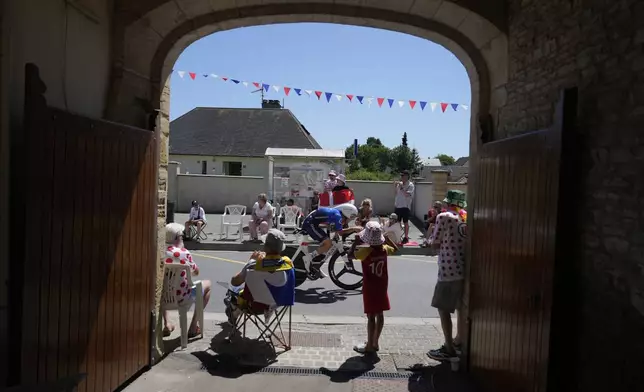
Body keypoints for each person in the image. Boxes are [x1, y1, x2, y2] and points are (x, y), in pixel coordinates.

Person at [427, 190, 468, 361]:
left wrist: (429, 241)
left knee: (443, 309)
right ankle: (458, 340)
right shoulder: (465, 217)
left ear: (448, 203)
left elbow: (435, 243)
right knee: (460, 308)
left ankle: (448, 348)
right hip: (463, 267)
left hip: (447, 269)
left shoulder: (444, 217)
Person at [227, 229, 293, 319]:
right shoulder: (288, 264)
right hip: (279, 302)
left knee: (234, 288)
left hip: (253, 305)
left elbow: (234, 281)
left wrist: (251, 261)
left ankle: (234, 312)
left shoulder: (254, 265)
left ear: (266, 248)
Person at [352, 221, 396, 355]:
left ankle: (369, 346)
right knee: (380, 314)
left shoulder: (365, 252)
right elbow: (396, 250)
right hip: (382, 286)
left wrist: (356, 242)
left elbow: (350, 255)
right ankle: (376, 342)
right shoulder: (384, 249)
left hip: (370, 287)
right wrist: (388, 240)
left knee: (371, 316)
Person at [163, 223, 212, 338]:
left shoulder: (162, 252)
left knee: (167, 285)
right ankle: (194, 326)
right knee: (207, 285)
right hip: (182, 297)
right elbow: (196, 272)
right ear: (179, 236)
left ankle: (167, 323)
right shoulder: (184, 253)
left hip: (164, 297)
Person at [300, 203, 361, 279]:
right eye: (351, 217)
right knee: (327, 243)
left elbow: (335, 229)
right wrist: (353, 228)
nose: (350, 219)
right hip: (310, 224)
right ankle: (308, 258)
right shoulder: (337, 215)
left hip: (314, 223)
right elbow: (341, 232)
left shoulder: (336, 213)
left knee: (327, 245)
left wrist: (336, 233)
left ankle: (316, 265)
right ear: (347, 212)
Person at [393, 170, 415, 244]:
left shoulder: (410, 185)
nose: (401, 177)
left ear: (407, 176)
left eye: (402, 176)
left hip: (405, 206)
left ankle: (406, 237)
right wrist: (395, 186)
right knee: (397, 222)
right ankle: (397, 236)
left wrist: (402, 187)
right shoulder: (400, 184)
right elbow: (396, 194)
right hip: (398, 206)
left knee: (405, 222)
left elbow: (407, 195)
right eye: (401, 176)